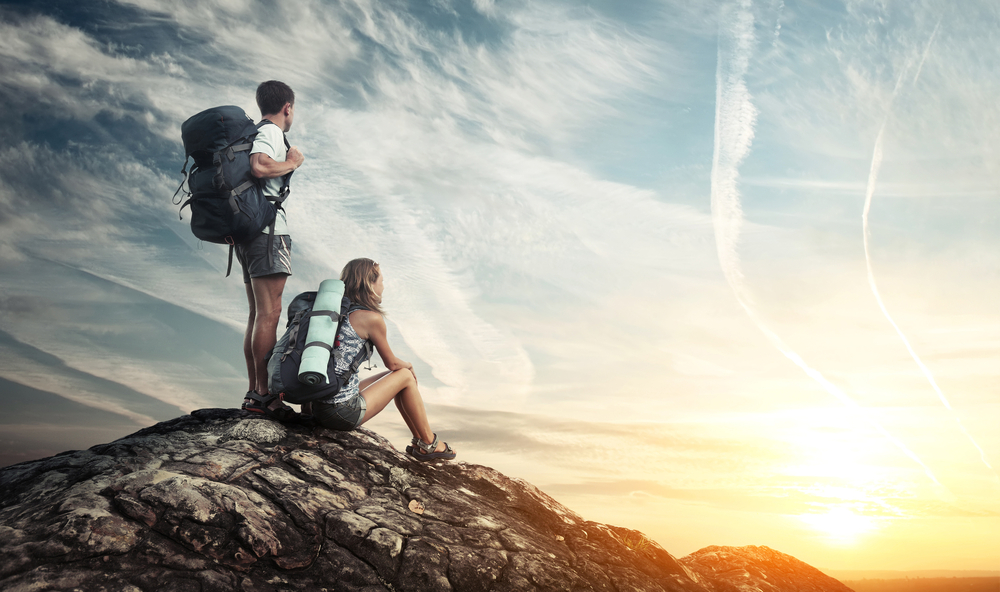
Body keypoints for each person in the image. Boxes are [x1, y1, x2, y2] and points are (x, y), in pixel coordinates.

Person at [311, 258, 457, 461]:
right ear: (370, 284)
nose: (383, 286)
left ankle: (419, 440)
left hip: (317, 404)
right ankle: (429, 442)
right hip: (340, 413)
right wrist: (409, 365)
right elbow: (393, 363)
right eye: (381, 280)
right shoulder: (370, 318)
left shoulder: (335, 313)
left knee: (396, 377)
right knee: (404, 374)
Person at [240, 80, 305, 419]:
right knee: (269, 313)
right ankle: (264, 395)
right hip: (268, 232)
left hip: (251, 232)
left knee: (258, 314)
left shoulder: (255, 131)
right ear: (287, 108)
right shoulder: (271, 133)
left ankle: (256, 392)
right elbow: (260, 166)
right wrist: (292, 162)